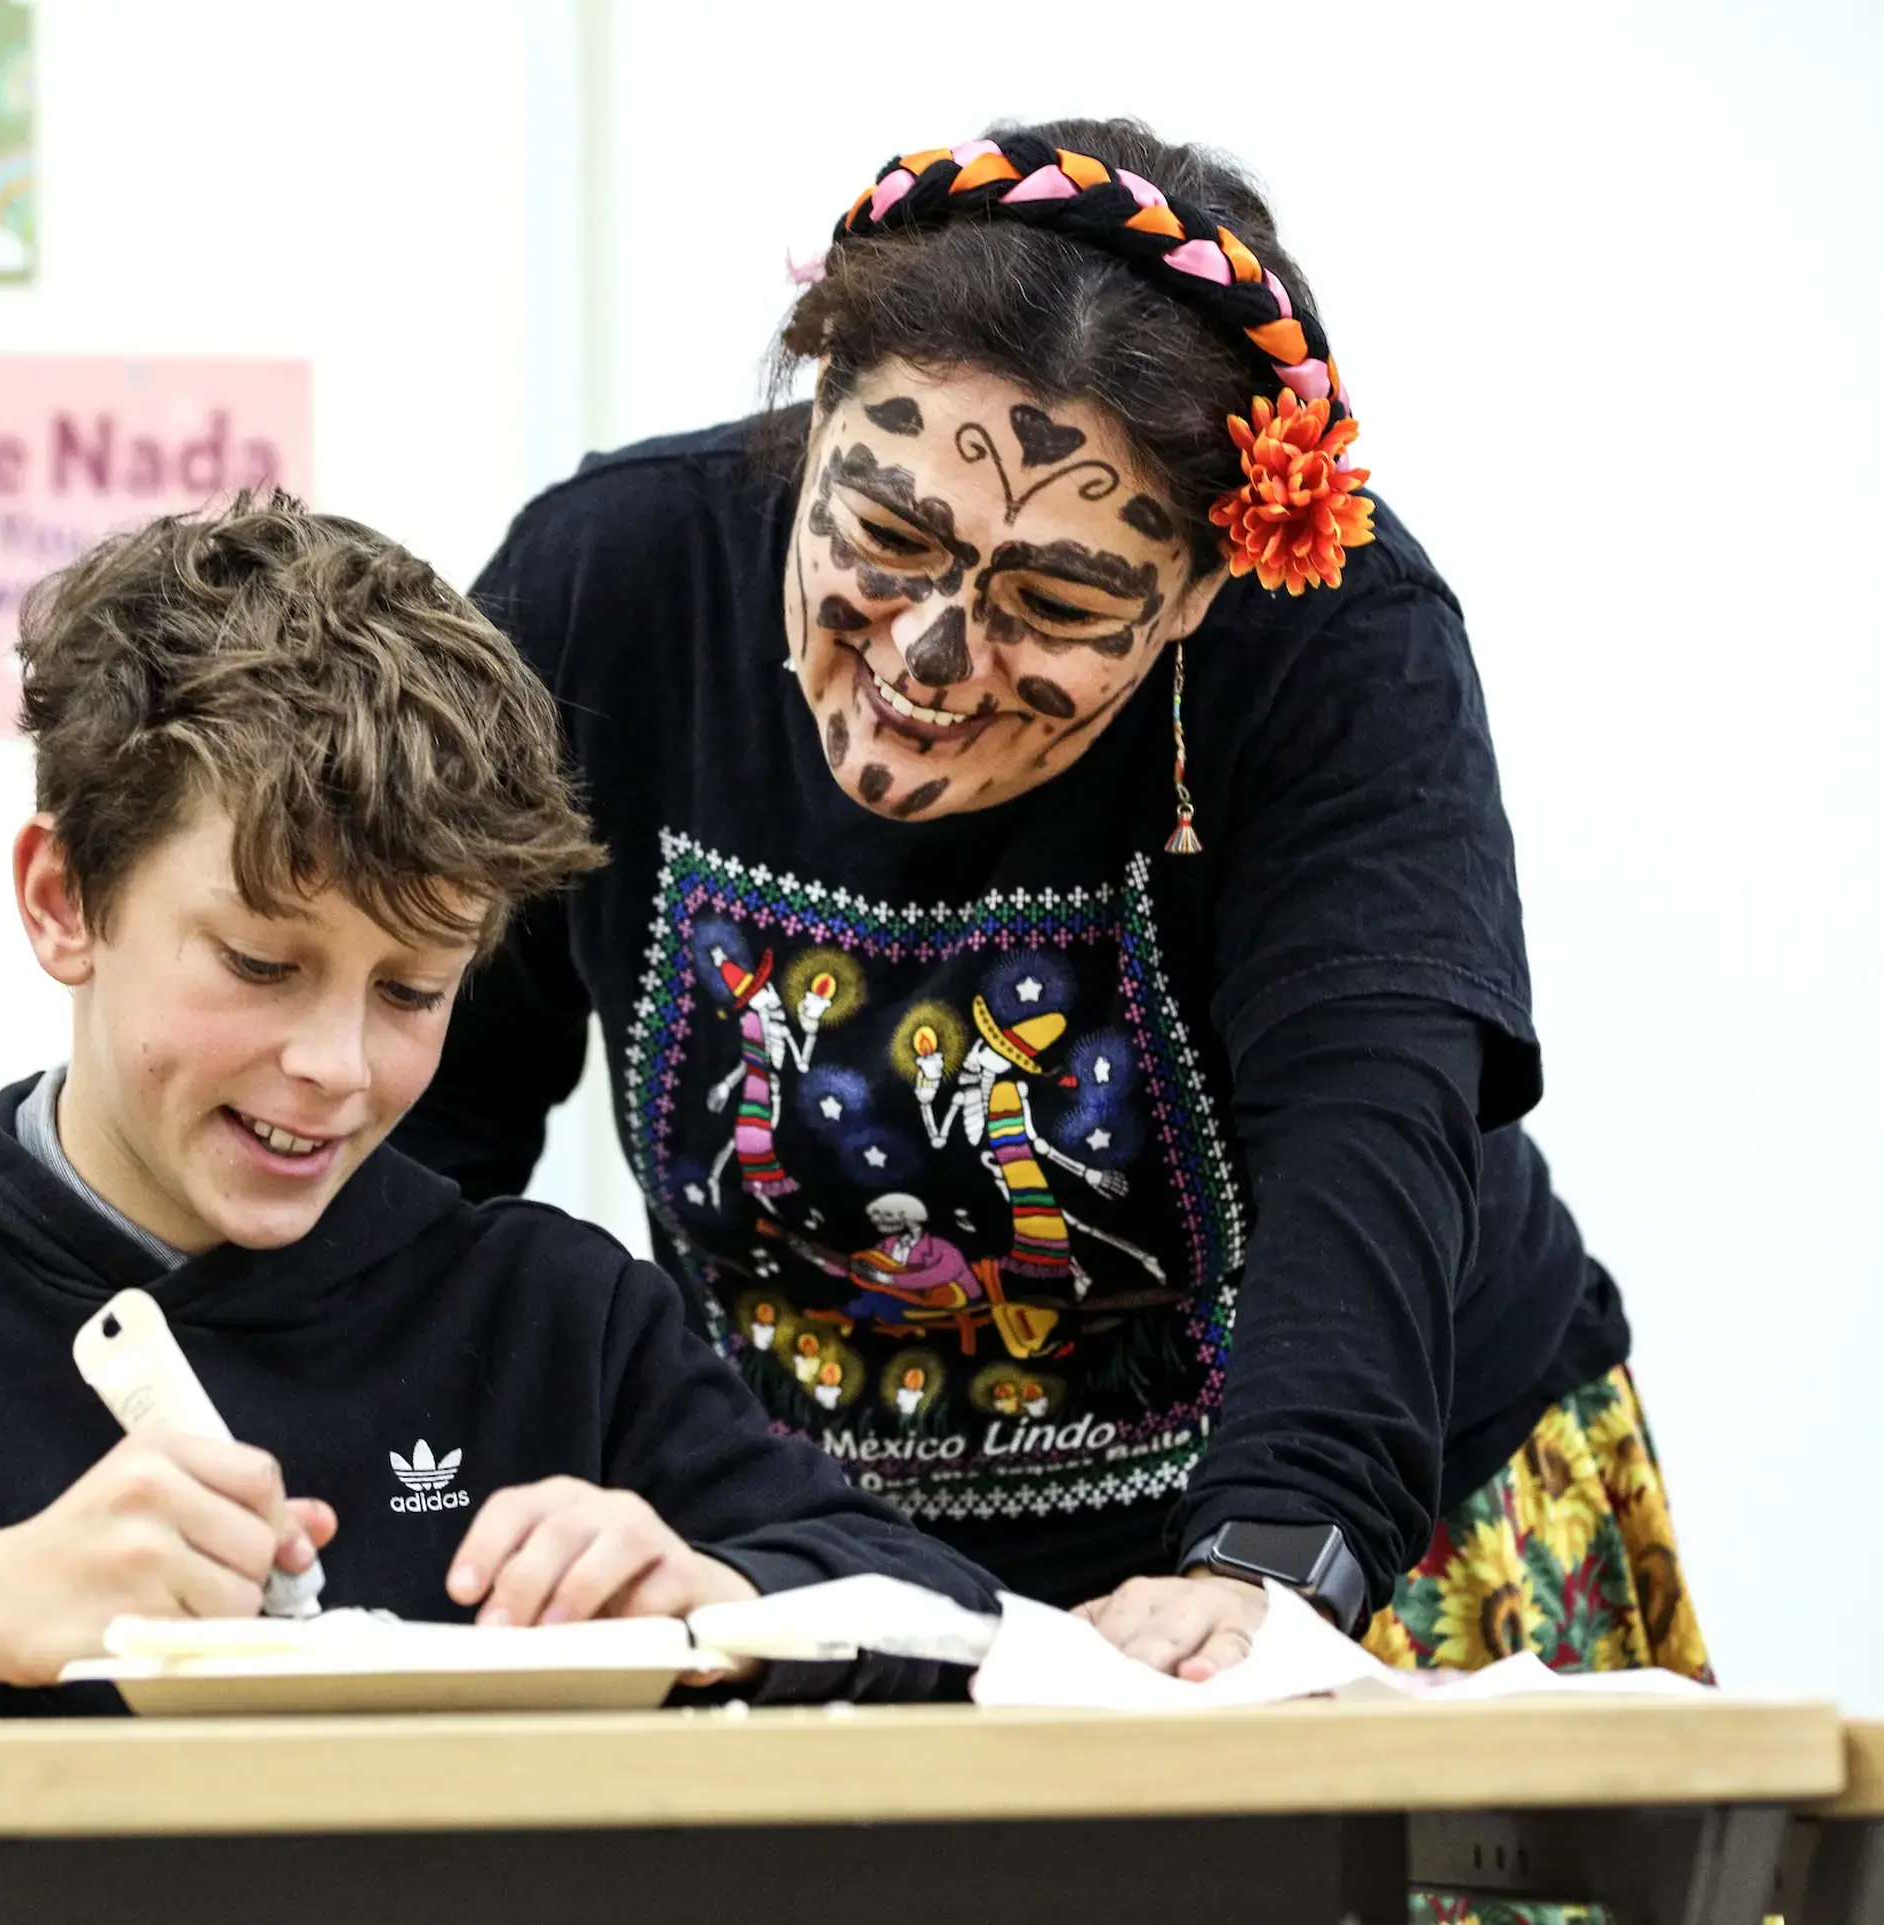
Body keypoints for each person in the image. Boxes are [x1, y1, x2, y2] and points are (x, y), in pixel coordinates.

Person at [0, 501, 998, 1922]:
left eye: (412, 991)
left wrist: (710, 1593)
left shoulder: (549, 1314)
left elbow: (944, 1621)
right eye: (259, 966)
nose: (333, 1069)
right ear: (63, 899)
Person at [393, 118, 1713, 1699]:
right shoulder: (607, 585)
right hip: (826, 1559)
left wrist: (1274, 1563)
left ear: (1207, 588)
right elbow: (425, 1125)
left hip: (1366, 1511)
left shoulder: (1335, 639)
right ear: (818, 420)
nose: (931, 657)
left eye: (1063, 603)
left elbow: (1371, 1127)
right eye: (885, 537)